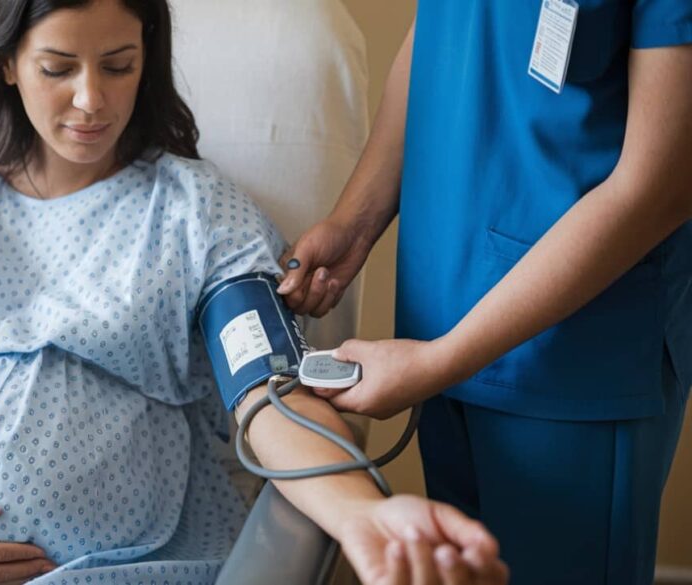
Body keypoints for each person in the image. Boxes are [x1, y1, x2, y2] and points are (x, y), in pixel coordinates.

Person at [0, 1, 510, 584]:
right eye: (58, 67)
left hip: (124, 562)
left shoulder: (195, 211)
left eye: (119, 65)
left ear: (147, 59)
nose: (91, 99)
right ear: (7, 64)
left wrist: (362, 517)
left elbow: (266, 389)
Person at [278, 3, 692, 584]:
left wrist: (438, 360)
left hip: (572, 363)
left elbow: (662, 185)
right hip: (439, 308)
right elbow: (436, 37)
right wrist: (356, 220)